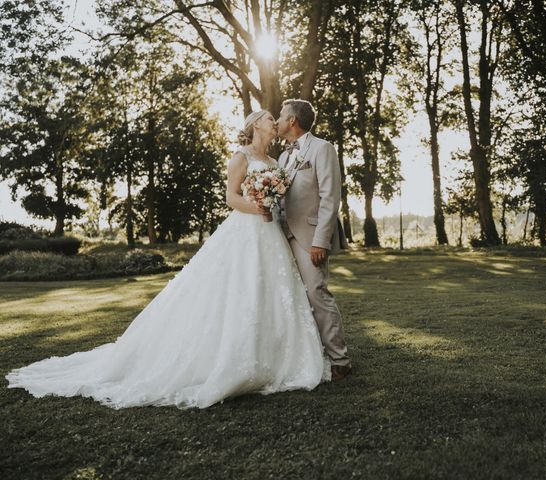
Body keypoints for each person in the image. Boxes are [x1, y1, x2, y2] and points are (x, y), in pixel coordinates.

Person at [6, 110, 329, 409]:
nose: (276, 122)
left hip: (270, 234)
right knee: (238, 289)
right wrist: (256, 206)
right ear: (256, 124)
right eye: (270, 118)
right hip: (246, 230)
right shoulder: (240, 157)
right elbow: (231, 197)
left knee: (273, 291)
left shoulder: (274, 159)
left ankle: (277, 357)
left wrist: (269, 205)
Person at [276, 99, 352, 381]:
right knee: (293, 297)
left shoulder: (322, 149)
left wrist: (321, 240)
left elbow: (330, 198)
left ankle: (340, 360)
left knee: (317, 294)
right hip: (282, 236)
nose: (278, 120)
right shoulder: (283, 157)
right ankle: (307, 356)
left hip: (310, 236)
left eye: (282, 116)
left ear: (293, 121)